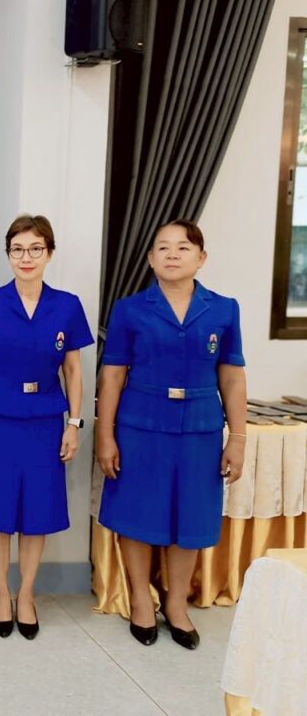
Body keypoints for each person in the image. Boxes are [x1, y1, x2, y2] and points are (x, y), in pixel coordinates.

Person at [97, 219, 247, 650]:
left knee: (191, 518)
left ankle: (176, 602)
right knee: (137, 515)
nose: (172, 254)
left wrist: (238, 437)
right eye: (163, 247)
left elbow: (232, 376)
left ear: (201, 258)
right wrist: (105, 435)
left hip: (200, 429)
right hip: (140, 426)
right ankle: (141, 600)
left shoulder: (223, 309)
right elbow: (112, 375)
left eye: (183, 247)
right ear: (150, 259)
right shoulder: (129, 309)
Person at [0, 215, 93, 640]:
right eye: (17, 249)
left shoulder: (67, 305)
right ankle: (2, 592)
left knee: (37, 512)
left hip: (45, 422)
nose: (26, 257)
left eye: (35, 248)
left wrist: (74, 423)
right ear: (8, 255)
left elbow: (73, 370)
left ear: (49, 253)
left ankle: (27, 594)